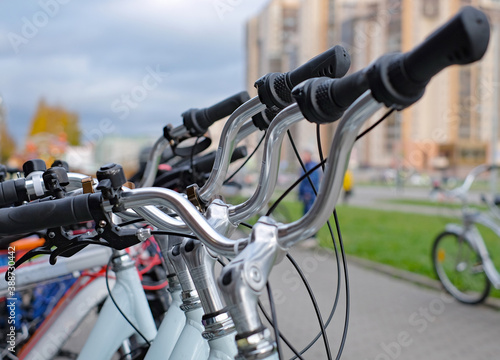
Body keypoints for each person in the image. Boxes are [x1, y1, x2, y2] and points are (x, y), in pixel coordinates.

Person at [298, 151, 321, 216]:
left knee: (309, 212)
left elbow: (312, 181)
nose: (304, 157)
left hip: (310, 194)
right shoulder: (306, 165)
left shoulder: (312, 167)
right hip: (306, 193)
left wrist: (308, 192)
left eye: (305, 155)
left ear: (309, 156)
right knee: (305, 211)